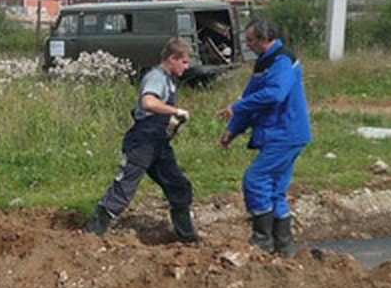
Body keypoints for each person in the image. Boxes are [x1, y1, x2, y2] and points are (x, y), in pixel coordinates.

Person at [85, 36, 200, 243]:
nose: (187, 66)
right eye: (184, 61)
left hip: (159, 145)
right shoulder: (156, 77)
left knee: (179, 186)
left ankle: (188, 237)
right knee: (124, 188)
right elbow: (148, 102)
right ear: (172, 58)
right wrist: (176, 111)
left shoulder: (168, 80)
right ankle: (91, 234)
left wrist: (170, 121)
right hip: (142, 143)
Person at [218, 19, 311, 256]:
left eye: (250, 40)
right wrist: (233, 129)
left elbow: (275, 94)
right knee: (276, 189)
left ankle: (262, 239)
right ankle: (284, 245)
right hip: (280, 133)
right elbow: (253, 96)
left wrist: (237, 107)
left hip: (285, 132)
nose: (248, 45)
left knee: (256, 179)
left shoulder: (282, 61)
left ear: (262, 40)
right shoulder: (265, 62)